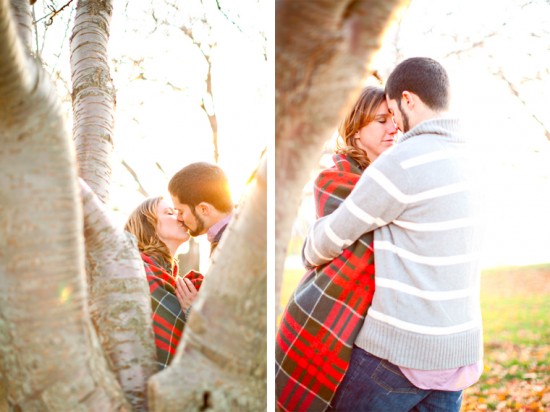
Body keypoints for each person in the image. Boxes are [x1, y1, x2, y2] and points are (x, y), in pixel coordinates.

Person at [303, 57, 483, 411]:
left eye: (393, 113)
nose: (395, 125)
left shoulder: (400, 162)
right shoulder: (474, 159)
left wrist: (310, 242)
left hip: (398, 357)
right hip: (458, 354)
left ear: (408, 99)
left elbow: (324, 243)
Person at [276, 86, 398, 412]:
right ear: (356, 132)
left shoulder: (398, 179)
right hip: (321, 316)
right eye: (382, 120)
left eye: (395, 119)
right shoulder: (334, 179)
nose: (393, 128)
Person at [125, 196, 202, 369]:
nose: (181, 217)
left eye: (178, 212)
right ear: (149, 225)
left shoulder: (178, 287)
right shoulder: (135, 272)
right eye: (170, 212)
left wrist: (193, 311)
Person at [168, 162, 234, 255]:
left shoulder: (229, 246)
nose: (178, 218)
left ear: (204, 209)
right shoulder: (230, 236)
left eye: (181, 212)